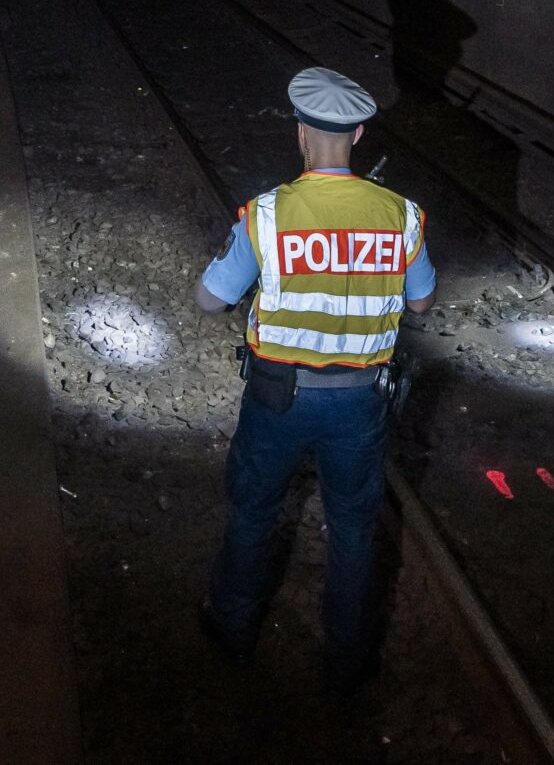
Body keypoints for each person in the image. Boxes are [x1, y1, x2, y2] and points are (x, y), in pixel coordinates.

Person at [193, 66, 435, 690]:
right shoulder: (402, 216)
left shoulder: (268, 214)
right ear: (357, 133)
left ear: (302, 133)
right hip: (360, 404)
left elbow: (210, 300)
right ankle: (347, 661)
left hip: (277, 397)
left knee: (252, 514)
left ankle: (232, 630)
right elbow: (422, 302)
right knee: (354, 528)